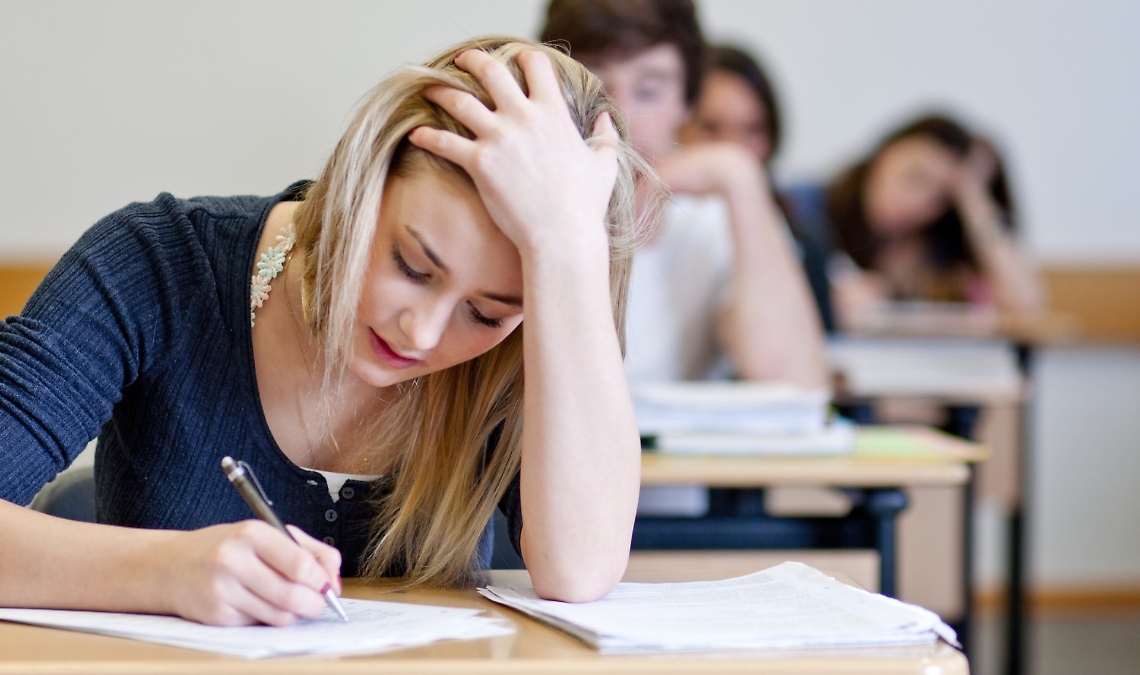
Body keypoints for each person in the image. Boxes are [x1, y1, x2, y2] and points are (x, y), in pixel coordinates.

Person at [0, 37, 664, 625]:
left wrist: (569, 250)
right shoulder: (157, 265)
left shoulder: (530, 341)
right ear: (363, 179)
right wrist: (162, 570)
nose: (422, 331)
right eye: (412, 263)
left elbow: (580, 572)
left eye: (486, 313)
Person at [541, 0, 828, 388]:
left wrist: (741, 178)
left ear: (686, 104)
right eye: (598, 87)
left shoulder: (713, 217)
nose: (619, 115)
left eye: (648, 91)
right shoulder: (521, 203)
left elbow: (794, 385)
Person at [784, 114, 1045, 325]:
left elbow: (1025, 305)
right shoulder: (805, 207)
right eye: (915, 177)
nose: (920, 202)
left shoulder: (933, 242)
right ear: (884, 154)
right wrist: (827, 302)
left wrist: (974, 199)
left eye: (941, 196)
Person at [679, 43, 835, 331]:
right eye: (710, 128)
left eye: (752, 130)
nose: (732, 152)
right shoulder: (644, 232)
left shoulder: (801, 238)